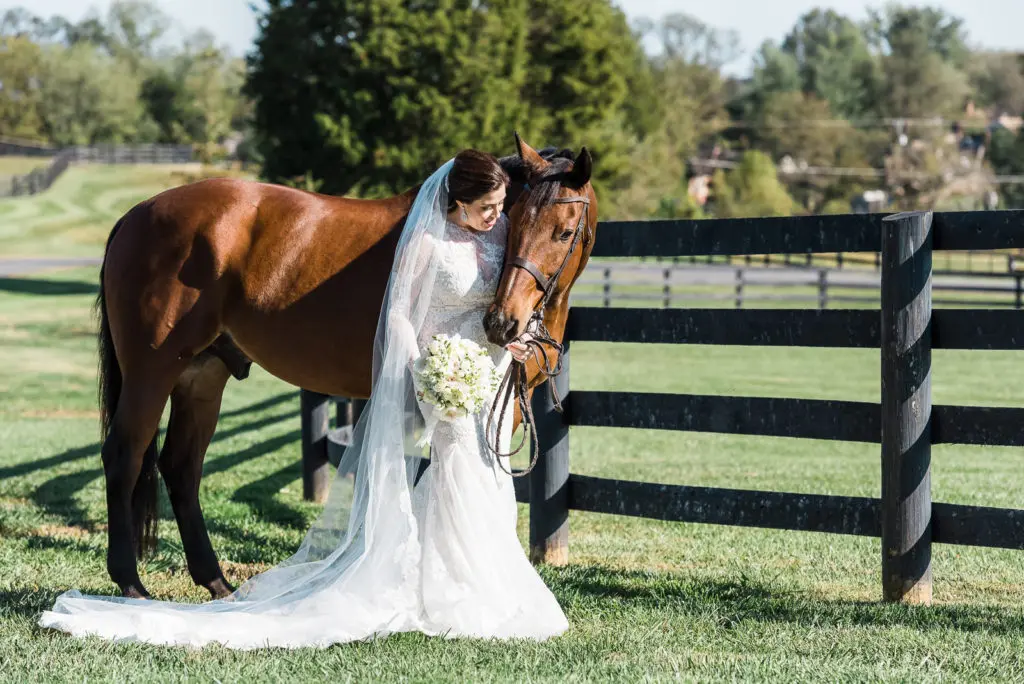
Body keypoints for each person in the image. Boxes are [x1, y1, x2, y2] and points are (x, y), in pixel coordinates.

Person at [38, 150, 569, 649]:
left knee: (184, 450)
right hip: (439, 362)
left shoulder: (499, 231)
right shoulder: (429, 238)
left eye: (501, 209)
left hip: (464, 377)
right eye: (488, 208)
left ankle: (207, 567)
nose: (496, 217)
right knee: (136, 431)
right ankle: (123, 566)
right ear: (456, 204)